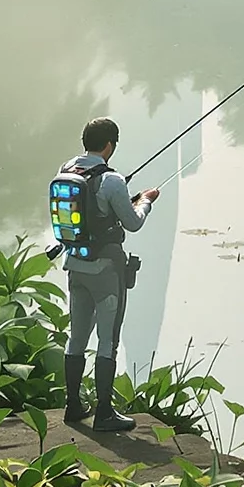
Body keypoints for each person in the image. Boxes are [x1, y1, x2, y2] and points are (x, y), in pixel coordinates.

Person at [53, 116, 159, 431]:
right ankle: (104, 413)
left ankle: (73, 405)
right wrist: (145, 202)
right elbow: (133, 222)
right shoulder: (112, 180)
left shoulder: (66, 170)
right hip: (105, 270)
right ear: (109, 144)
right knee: (107, 340)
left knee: (77, 336)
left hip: (75, 265)